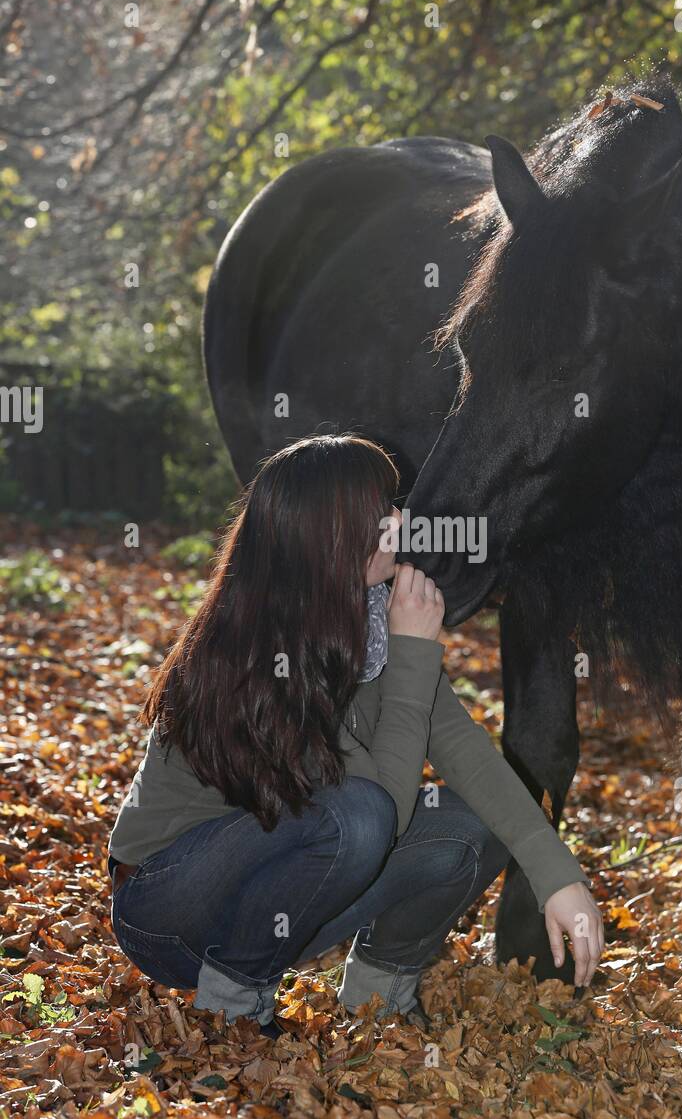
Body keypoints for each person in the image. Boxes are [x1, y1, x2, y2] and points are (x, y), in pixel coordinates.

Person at [107, 435, 602, 1037]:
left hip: (270, 888)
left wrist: (558, 875)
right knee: (358, 816)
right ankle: (234, 1004)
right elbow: (377, 813)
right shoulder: (259, 652)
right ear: (334, 537)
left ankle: (377, 994)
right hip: (170, 911)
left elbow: (467, 755)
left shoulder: (367, 617)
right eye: (382, 511)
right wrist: (415, 657)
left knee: (475, 820)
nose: (400, 520)